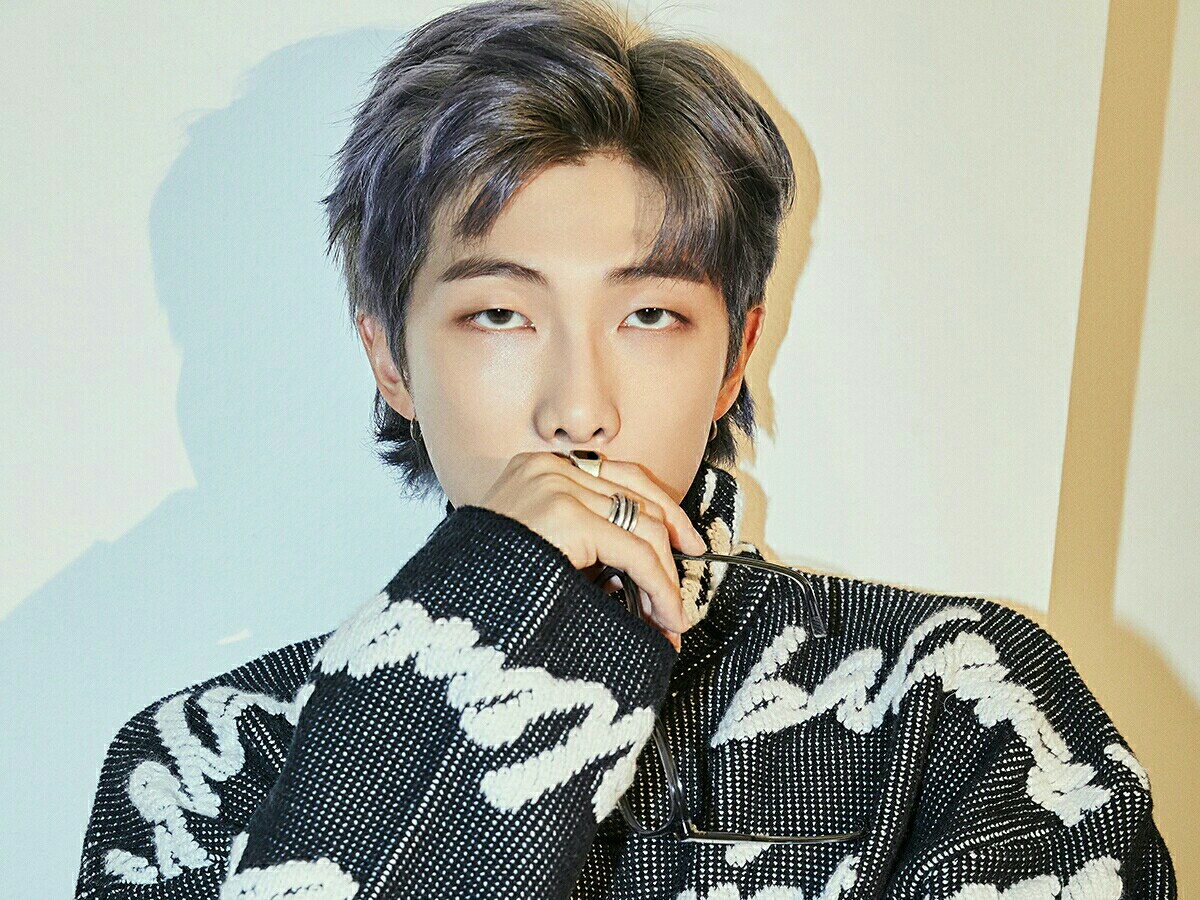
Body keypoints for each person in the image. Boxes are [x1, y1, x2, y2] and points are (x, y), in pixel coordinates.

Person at [75, 0, 1175, 897]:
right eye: (499, 315)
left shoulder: (959, 705)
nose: (578, 410)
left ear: (735, 356)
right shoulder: (209, 763)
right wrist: (484, 622)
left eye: (650, 315)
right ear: (390, 360)